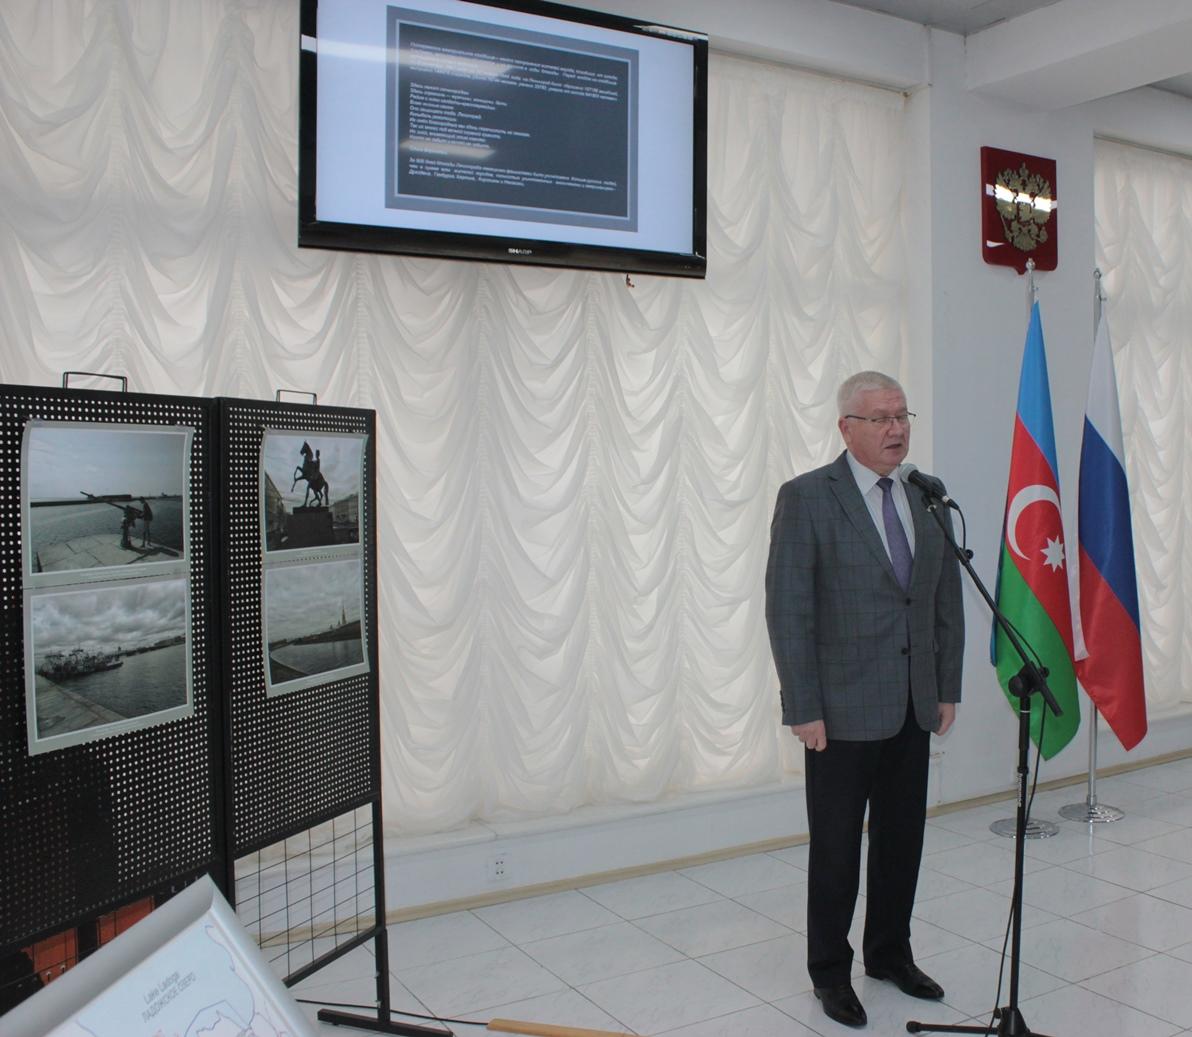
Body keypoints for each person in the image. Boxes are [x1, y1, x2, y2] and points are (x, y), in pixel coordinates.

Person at [765, 371, 964, 1029]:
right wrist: (802, 703)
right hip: (840, 711)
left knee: (903, 840)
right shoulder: (807, 498)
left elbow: (942, 599)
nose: (896, 428)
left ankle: (889, 953)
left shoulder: (925, 496)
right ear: (846, 427)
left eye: (902, 415)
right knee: (837, 849)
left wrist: (947, 687)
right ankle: (830, 970)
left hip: (912, 704)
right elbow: (789, 607)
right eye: (880, 417)